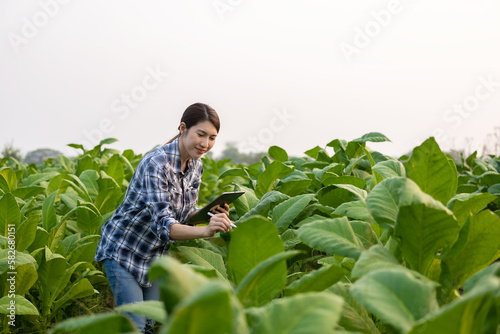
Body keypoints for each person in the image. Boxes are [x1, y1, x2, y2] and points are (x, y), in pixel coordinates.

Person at [95, 103, 233, 333]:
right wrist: (206, 230)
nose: (205, 144)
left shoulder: (196, 166)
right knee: (136, 326)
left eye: (212, 137)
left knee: (151, 323)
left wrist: (210, 213)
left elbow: (184, 212)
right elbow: (165, 226)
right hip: (123, 250)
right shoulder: (156, 163)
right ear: (182, 128)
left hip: (155, 256)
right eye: (200, 134)